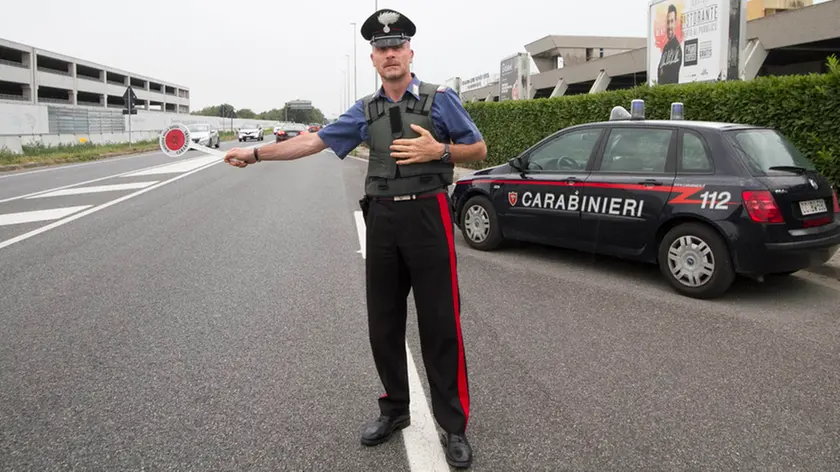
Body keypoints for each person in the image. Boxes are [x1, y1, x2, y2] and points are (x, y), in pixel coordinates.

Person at [223, 8, 487, 469]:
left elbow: (479, 148)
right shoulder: (365, 110)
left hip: (429, 217)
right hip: (382, 220)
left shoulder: (441, 99)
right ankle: (396, 410)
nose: (390, 54)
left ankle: (454, 426)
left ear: (410, 52)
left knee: (441, 325)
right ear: (373, 58)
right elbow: (313, 141)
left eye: (397, 46)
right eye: (382, 49)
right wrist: (257, 153)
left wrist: (439, 150)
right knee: (383, 325)